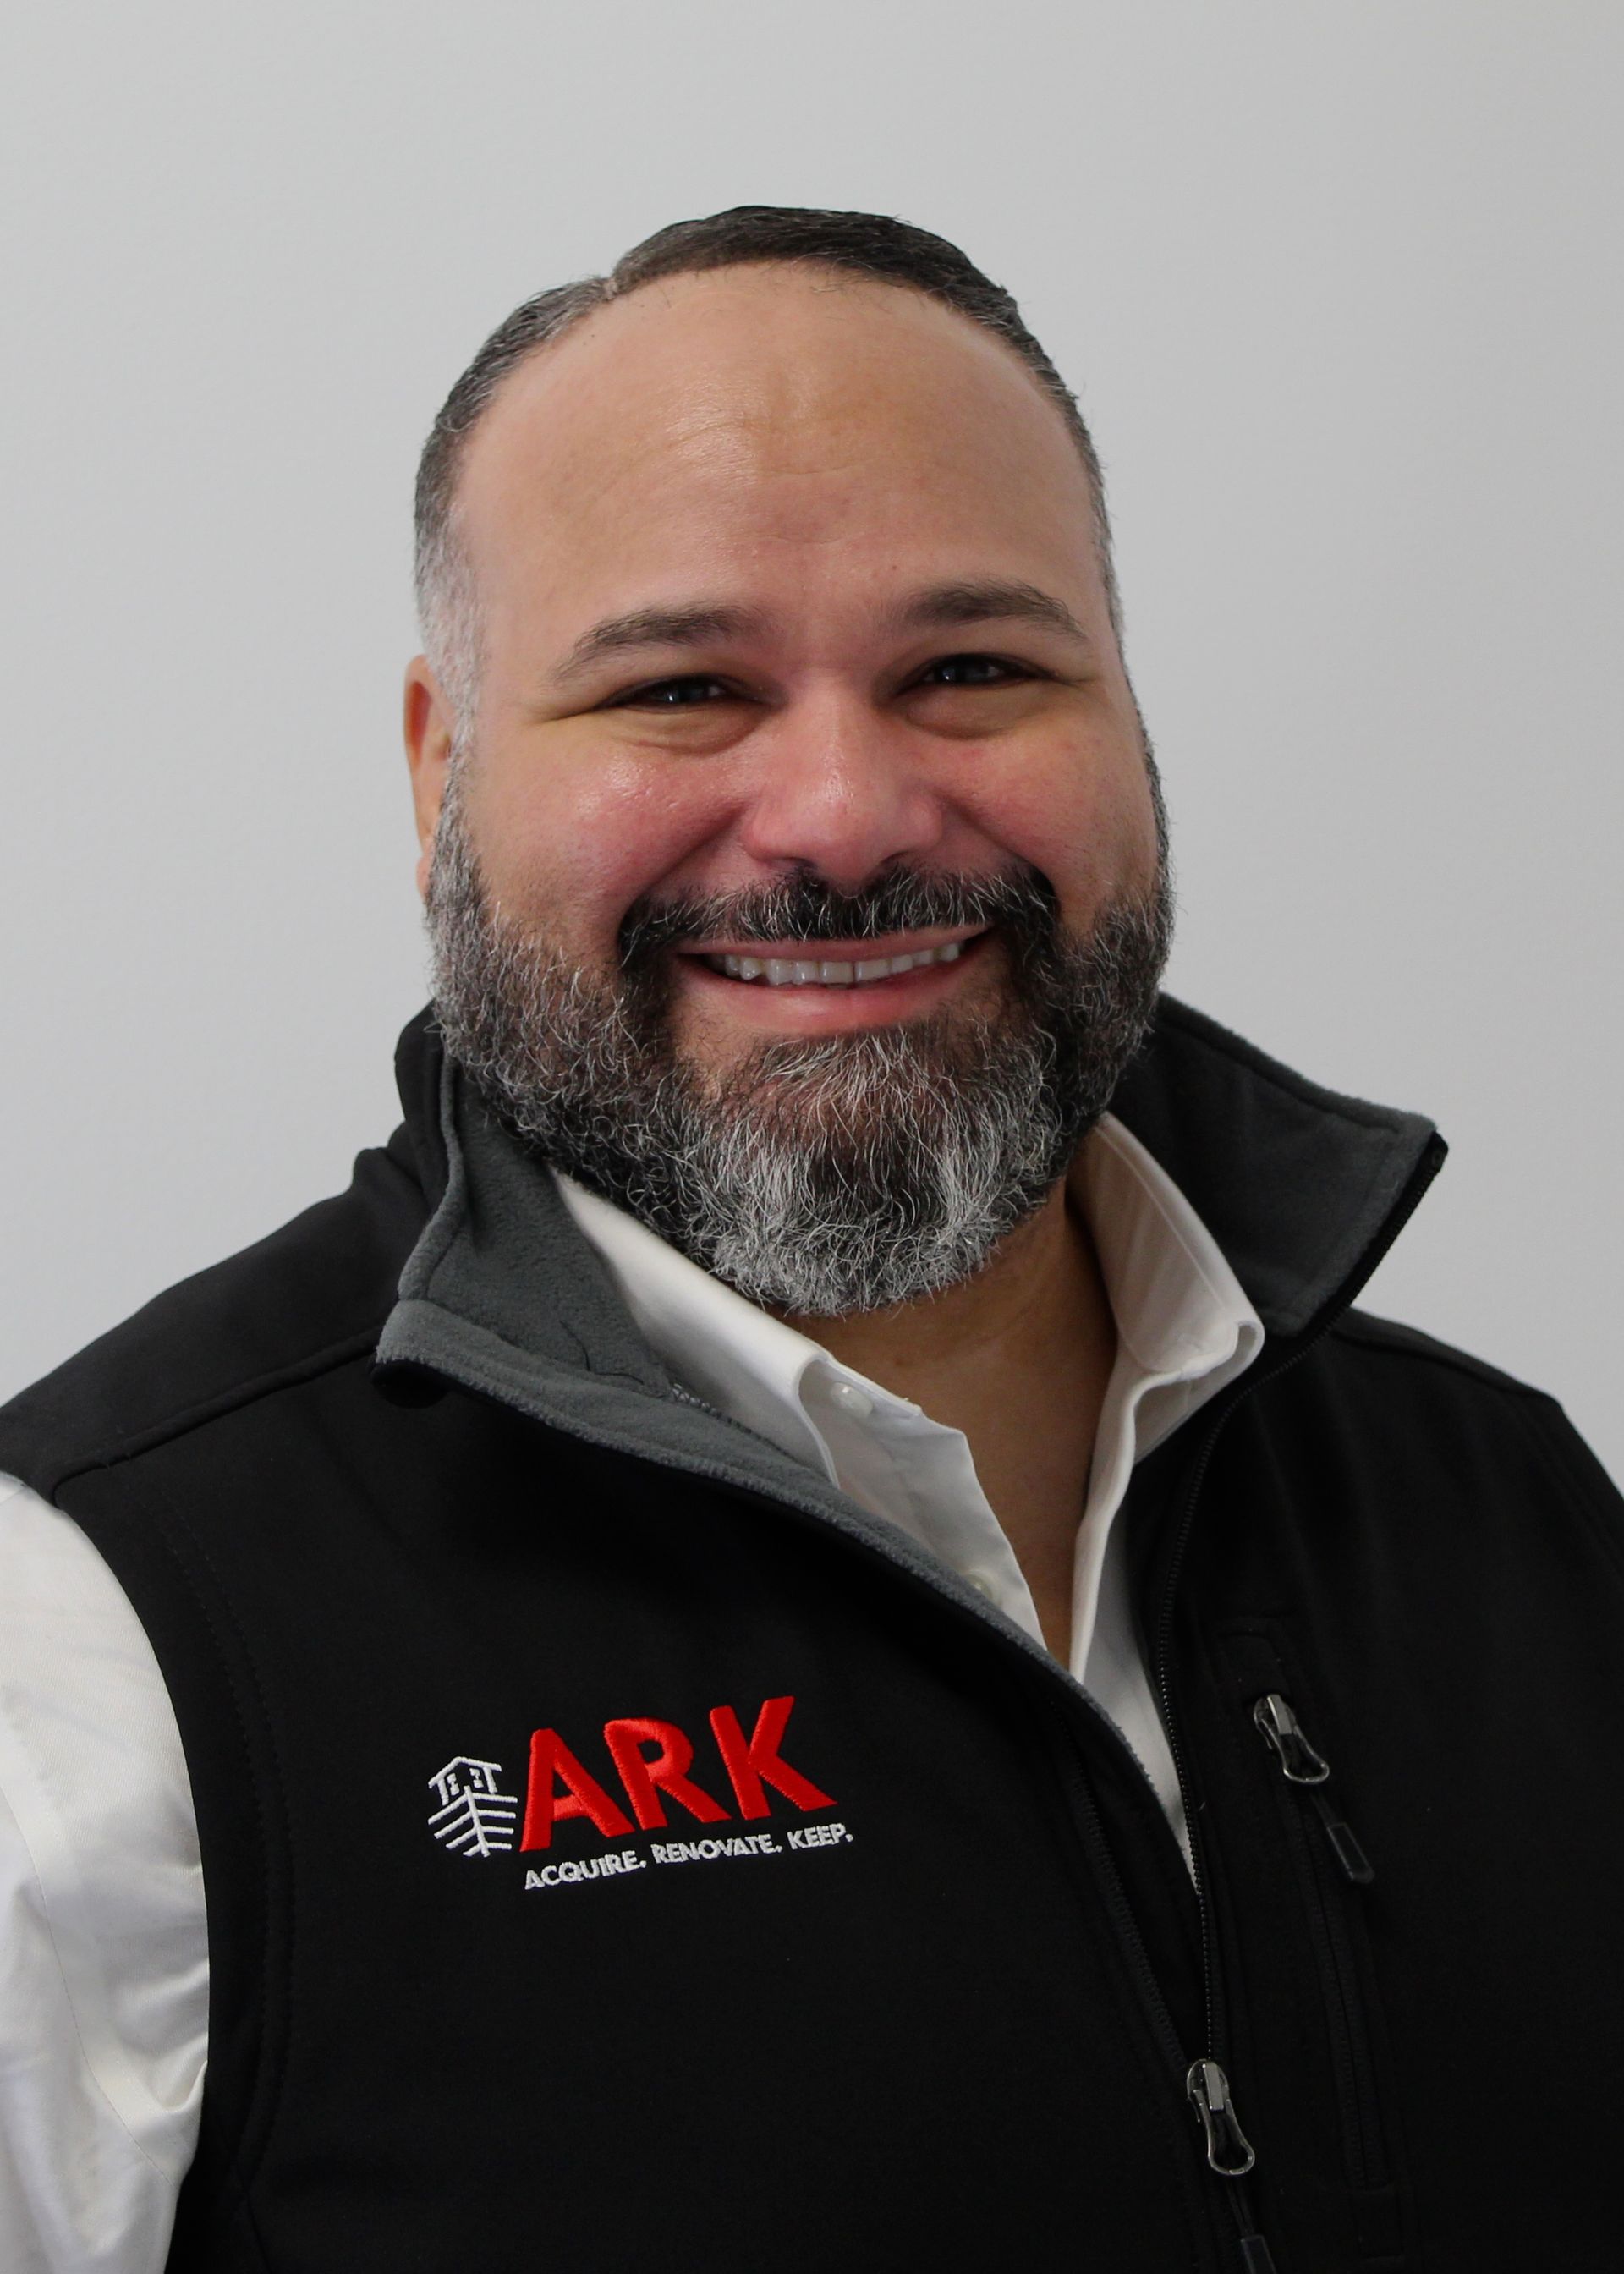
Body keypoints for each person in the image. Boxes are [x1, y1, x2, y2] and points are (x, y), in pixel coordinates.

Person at [1, 204, 1618, 2274]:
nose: (845, 814)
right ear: (439, 776)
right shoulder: (92, 1658)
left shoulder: (1512, 1514)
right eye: (683, 686)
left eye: (972, 669)